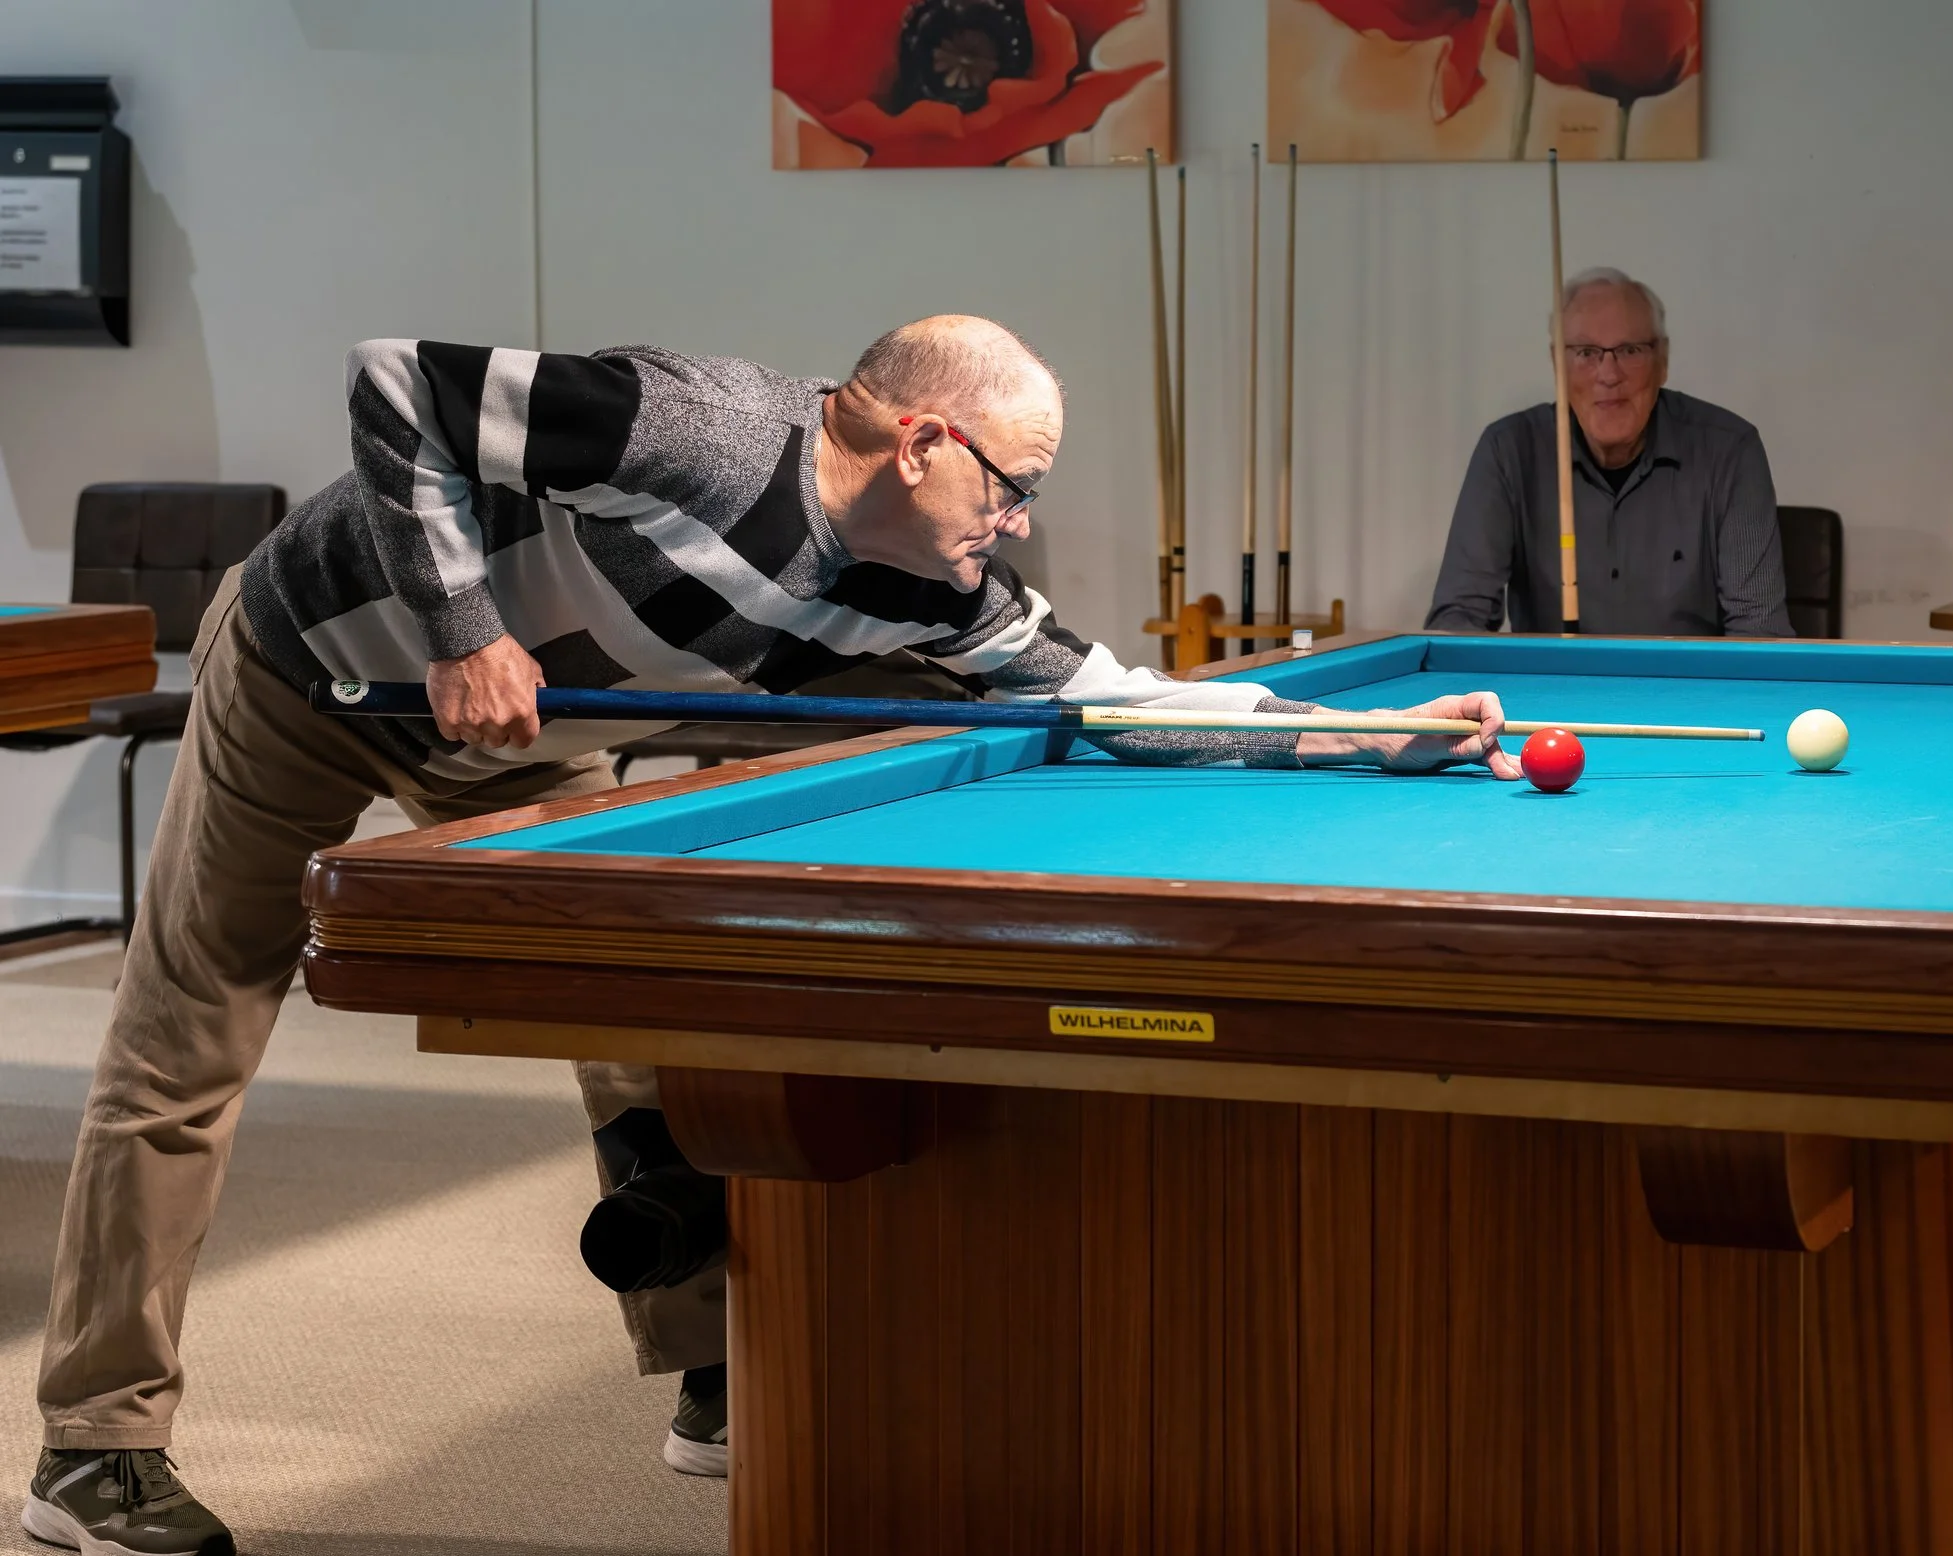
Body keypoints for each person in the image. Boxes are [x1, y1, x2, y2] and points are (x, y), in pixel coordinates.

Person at [24, 316, 1521, 1556]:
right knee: (190, 1040)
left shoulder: (930, 591)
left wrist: (1360, 739)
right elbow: (398, 381)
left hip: (532, 730)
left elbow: (1118, 697)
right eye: (1010, 486)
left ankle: (711, 1373)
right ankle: (95, 1455)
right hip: (315, 669)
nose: (1016, 525)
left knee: (637, 1023)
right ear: (924, 438)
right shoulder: (695, 431)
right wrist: (465, 627)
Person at [1426, 267, 1792, 637]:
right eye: (1586, 352)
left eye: (1630, 350)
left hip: (1688, 692)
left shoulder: (1730, 451)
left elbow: (1759, 634)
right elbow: (1457, 619)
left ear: (1662, 360)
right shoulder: (1507, 452)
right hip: (1550, 691)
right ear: (1558, 365)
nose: (1608, 374)